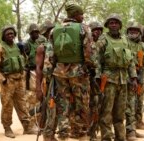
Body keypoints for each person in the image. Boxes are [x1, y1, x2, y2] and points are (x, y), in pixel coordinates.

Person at [49, 2, 92, 140]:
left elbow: (51, 55)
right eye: (81, 14)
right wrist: (90, 67)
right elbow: (89, 52)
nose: (83, 17)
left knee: (63, 102)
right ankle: (79, 132)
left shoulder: (54, 30)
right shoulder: (83, 28)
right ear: (75, 15)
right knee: (81, 102)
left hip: (59, 72)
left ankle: (63, 132)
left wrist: (51, 71)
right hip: (78, 72)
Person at [94, 13, 138, 141]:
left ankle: (121, 137)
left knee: (120, 113)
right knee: (106, 112)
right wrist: (97, 77)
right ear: (107, 25)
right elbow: (97, 60)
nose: (113, 25)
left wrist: (134, 77)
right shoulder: (103, 40)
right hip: (108, 80)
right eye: (111, 23)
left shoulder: (125, 40)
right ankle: (107, 138)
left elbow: (131, 61)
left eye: (116, 22)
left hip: (123, 80)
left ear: (120, 25)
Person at [0, 25, 37, 138]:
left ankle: (27, 127)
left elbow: (23, 61)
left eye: (12, 33)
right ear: (4, 36)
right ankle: (7, 128)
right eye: (8, 34)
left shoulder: (18, 47)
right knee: (7, 105)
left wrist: (23, 74)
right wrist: (2, 79)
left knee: (22, 103)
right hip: (8, 80)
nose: (11, 35)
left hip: (19, 79)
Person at [35, 20, 57, 141]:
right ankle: (48, 135)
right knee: (48, 108)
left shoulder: (60, 45)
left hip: (60, 80)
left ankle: (51, 134)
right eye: (49, 31)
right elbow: (38, 68)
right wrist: (38, 88)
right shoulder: (42, 48)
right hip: (47, 82)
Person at [124, 21, 144, 140]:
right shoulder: (125, 42)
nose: (133, 32)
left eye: (136, 30)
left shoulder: (141, 45)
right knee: (129, 105)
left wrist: (140, 78)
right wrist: (132, 78)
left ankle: (134, 128)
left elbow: (141, 62)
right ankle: (129, 131)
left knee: (137, 104)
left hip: (138, 76)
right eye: (131, 30)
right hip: (127, 77)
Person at [87, 21, 103, 140]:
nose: (97, 32)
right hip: (88, 80)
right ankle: (89, 133)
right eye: (95, 30)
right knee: (90, 106)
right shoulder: (87, 45)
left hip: (101, 81)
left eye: (99, 30)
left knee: (100, 106)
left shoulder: (102, 45)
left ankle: (95, 131)